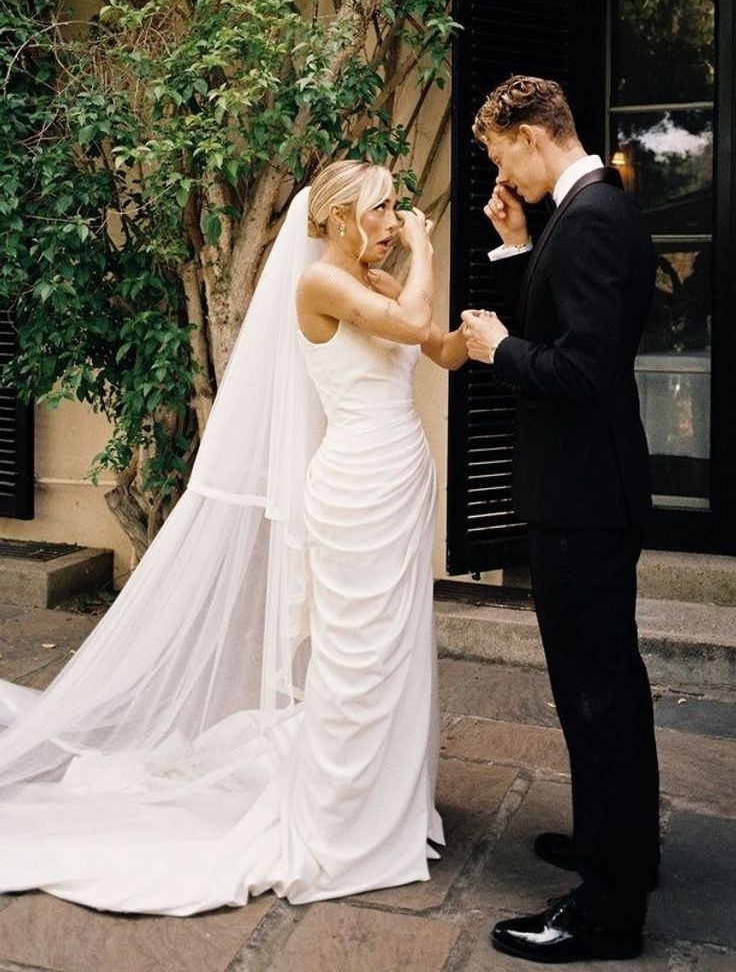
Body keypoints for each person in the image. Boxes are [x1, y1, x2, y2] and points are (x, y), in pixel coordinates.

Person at [0, 159, 467, 914]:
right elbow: (413, 321)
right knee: (357, 655)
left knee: (398, 650)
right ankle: (341, 822)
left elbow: (429, 342)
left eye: (395, 213)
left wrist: (477, 339)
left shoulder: (377, 286)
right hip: (354, 490)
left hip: (400, 485)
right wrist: (430, 257)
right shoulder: (320, 283)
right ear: (341, 218)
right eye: (382, 210)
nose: (393, 223)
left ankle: (389, 808)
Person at [461, 76, 660, 963]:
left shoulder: (589, 221)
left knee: (597, 690)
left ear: (534, 136)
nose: (501, 174)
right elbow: (569, 313)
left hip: (584, 498)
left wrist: (496, 347)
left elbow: (579, 371)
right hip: (589, 493)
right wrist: (513, 248)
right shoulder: (585, 215)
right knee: (603, 684)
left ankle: (609, 908)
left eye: (501, 154)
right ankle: (616, 846)